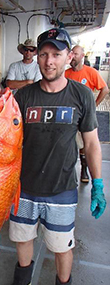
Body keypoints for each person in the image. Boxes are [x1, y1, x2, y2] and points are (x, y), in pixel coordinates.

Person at [2, 28, 106, 285]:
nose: (49, 61)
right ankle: (22, 278)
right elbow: (7, 140)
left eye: (56, 54)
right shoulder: (24, 96)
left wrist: (97, 183)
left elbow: (92, 143)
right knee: (22, 238)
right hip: (23, 187)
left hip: (61, 189)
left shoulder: (81, 95)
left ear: (68, 56)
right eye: (44, 54)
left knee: (62, 246)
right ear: (38, 56)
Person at [65, 45, 109, 183]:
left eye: (76, 54)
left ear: (82, 56)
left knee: (85, 145)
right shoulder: (65, 74)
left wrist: (94, 106)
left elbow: (105, 90)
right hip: (68, 115)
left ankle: (84, 170)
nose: (73, 56)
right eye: (71, 53)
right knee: (67, 144)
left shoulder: (91, 72)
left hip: (83, 116)